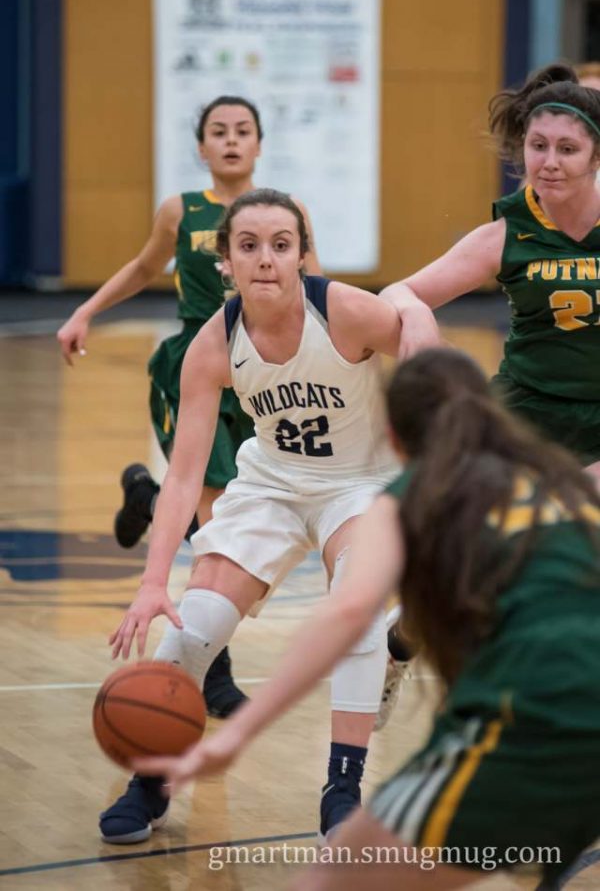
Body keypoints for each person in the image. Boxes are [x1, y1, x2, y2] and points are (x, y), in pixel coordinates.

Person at [135, 348, 600, 889]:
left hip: (545, 714)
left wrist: (239, 733)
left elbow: (350, 613)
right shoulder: (568, 483)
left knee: (330, 880)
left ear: (394, 441)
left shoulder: (404, 501)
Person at [100, 188, 405, 846]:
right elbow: (182, 474)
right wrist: (155, 582)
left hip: (356, 484)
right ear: (225, 263)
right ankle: (152, 777)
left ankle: (343, 787)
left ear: (302, 255)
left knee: (359, 610)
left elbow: (425, 351)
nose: (265, 259)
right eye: (248, 246)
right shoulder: (213, 345)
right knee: (192, 628)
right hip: (270, 483)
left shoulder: (346, 311)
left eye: (280, 245)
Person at [56, 96, 321, 720]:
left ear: (259, 144)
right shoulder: (180, 210)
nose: (231, 141)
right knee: (213, 519)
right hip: (194, 370)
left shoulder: (285, 212)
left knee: (220, 514)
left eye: (243, 131)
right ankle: (216, 676)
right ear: (202, 148)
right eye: (218, 132)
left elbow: (315, 286)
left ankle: (145, 497)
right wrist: (85, 310)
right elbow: (145, 266)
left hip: (259, 368)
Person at [378, 63, 600, 477]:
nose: (549, 162)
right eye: (538, 146)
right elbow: (397, 291)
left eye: (567, 149)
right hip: (528, 411)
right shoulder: (505, 234)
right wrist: (414, 313)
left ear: (596, 157)